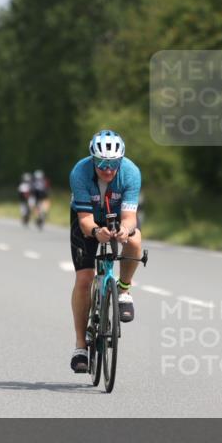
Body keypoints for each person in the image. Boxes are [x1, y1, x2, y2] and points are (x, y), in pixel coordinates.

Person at [67, 130, 142, 373]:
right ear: (93, 159)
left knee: (135, 241)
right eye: (101, 163)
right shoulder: (79, 172)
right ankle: (80, 346)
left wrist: (125, 230)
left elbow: (129, 217)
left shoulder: (131, 172)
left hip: (117, 217)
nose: (108, 170)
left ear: (121, 160)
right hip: (88, 219)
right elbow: (85, 220)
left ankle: (124, 290)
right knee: (84, 279)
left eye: (113, 163)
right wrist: (96, 231)